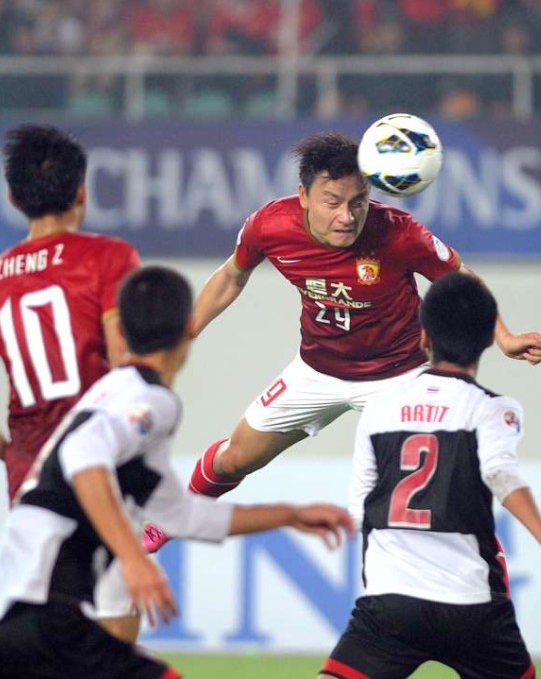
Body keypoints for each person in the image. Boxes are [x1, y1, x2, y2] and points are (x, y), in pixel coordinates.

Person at [145, 130, 541, 550]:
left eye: (358, 202)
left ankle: (490, 568)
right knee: (234, 458)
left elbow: (461, 279)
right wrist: (187, 330)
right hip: (316, 371)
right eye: (332, 202)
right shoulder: (270, 225)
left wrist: (504, 336)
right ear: (304, 196)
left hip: (399, 376)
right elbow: (232, 274)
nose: (347, 216)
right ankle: (173, 518)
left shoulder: (399, 233)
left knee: (441, 488)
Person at [0, 265, 354, 679]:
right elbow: (82, 458)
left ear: (121, 332)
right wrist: (134, 559)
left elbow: (183, 515)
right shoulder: (147, 400)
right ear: (189, 327)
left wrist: (288, 515)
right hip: (39, 607)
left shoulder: (121, 392)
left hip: (35, 607)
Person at [319, 271, 541, 679]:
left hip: (391, 602)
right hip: (470, 604)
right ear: (488, 340)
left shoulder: (380, 408)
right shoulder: (492, 408)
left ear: (423, 336)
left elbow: (361, 504)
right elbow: (501, 474)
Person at [0, 123, 141, 640]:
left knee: (41, 617)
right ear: (82, 191)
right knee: (113, 606)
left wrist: (11, 451)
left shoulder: (1, 274)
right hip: (99, 457)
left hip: (28, 471)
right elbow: (124, 359)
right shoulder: (108, 257)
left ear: (14, 198)